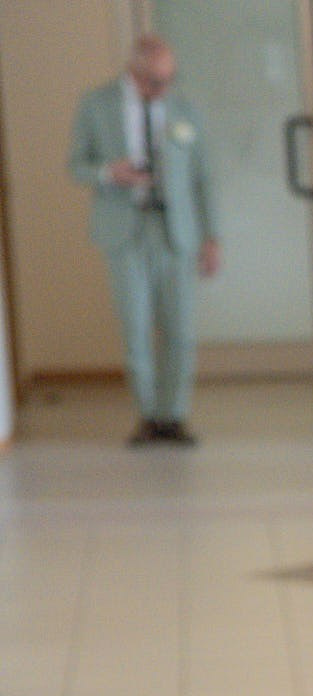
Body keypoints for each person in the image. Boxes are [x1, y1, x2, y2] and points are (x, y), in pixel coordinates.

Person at [67, 34, 219, 447]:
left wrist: (212, 237)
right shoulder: (96, 105)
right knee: (135, 328)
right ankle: (149, 416)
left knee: (180, 330)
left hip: (176, 231)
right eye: (154, 81)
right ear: (133, 73)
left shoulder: (184, 109)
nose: (163, 89)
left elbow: (204, 177)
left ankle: (175, 416)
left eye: (169, 79)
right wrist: (108, 173)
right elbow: (75, 165)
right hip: (125, 229)